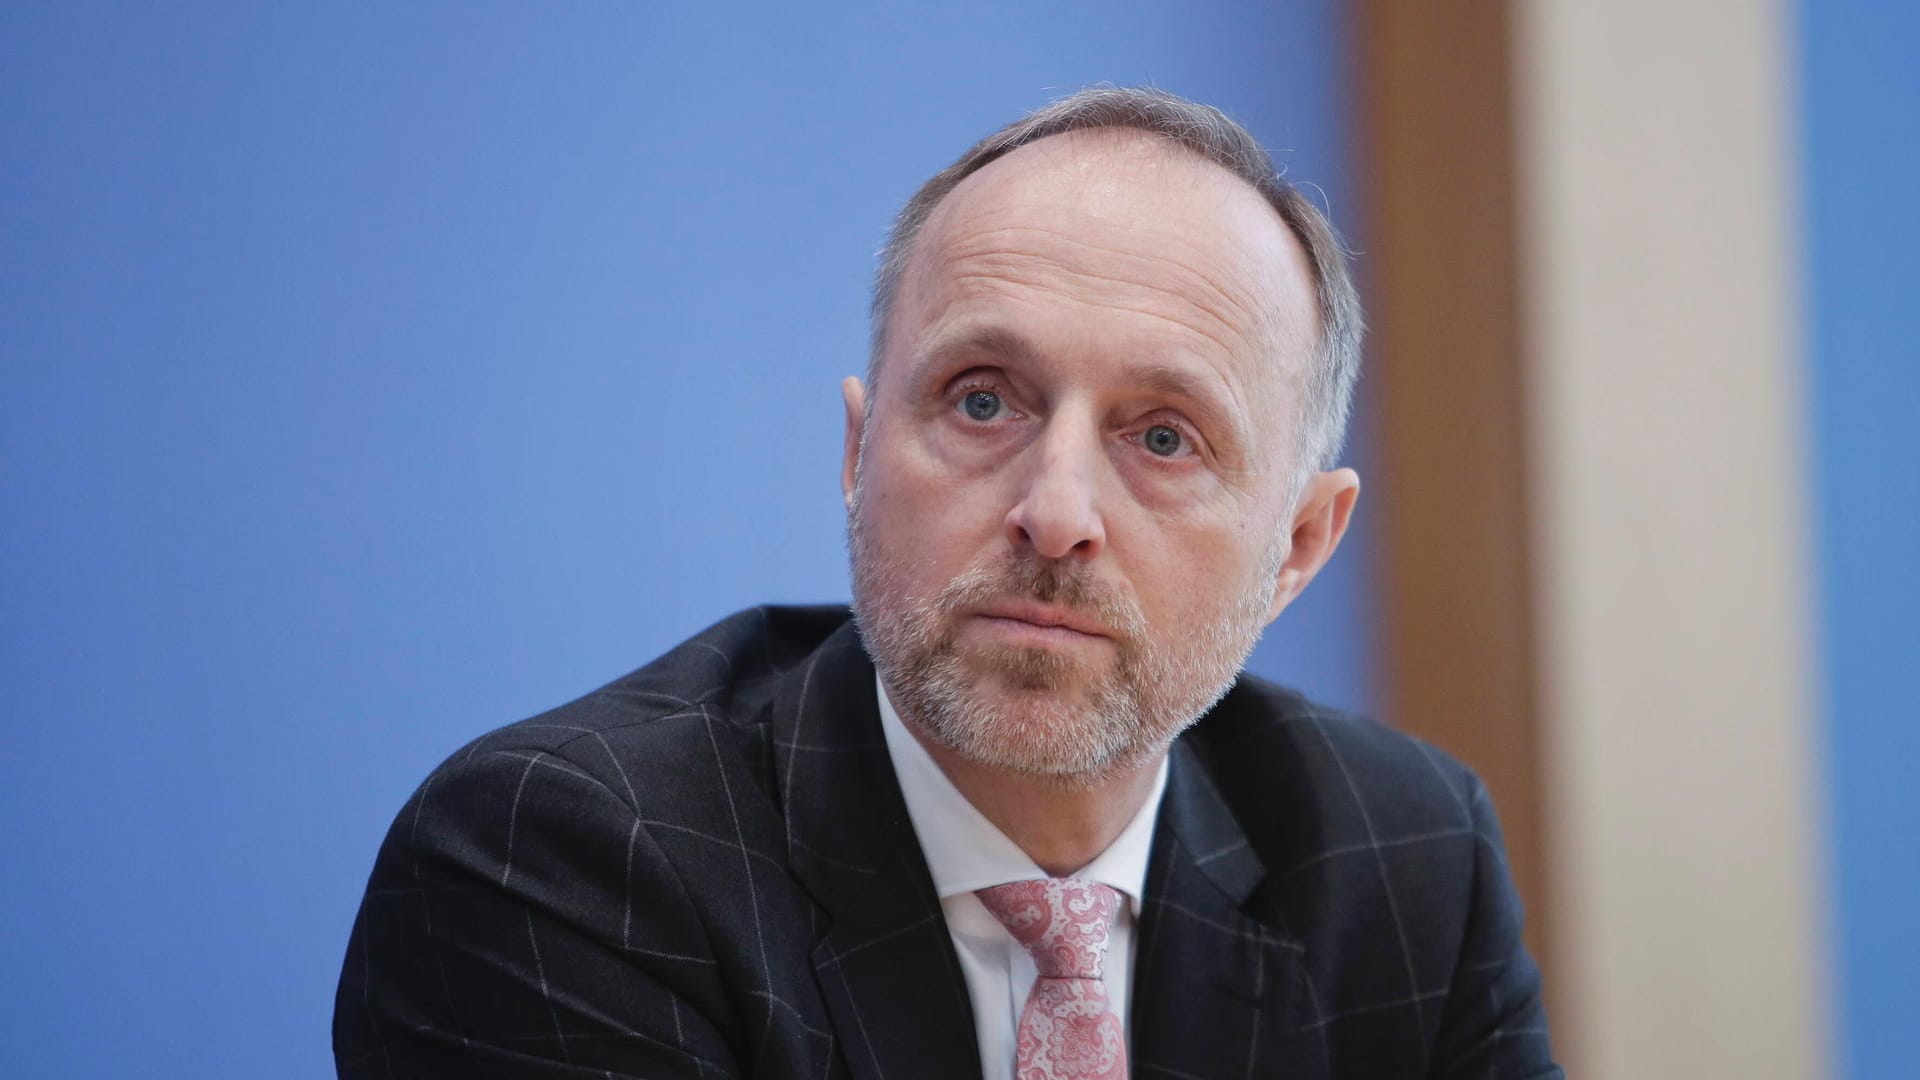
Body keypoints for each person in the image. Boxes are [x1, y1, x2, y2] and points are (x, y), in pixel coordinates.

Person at [334, 87, 1560, 1080]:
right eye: (983, 400)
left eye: (1165, 436)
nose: (1058, 513)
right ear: (861, 454)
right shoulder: (563, 862)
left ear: (1298, 545)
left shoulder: (1404, 857)